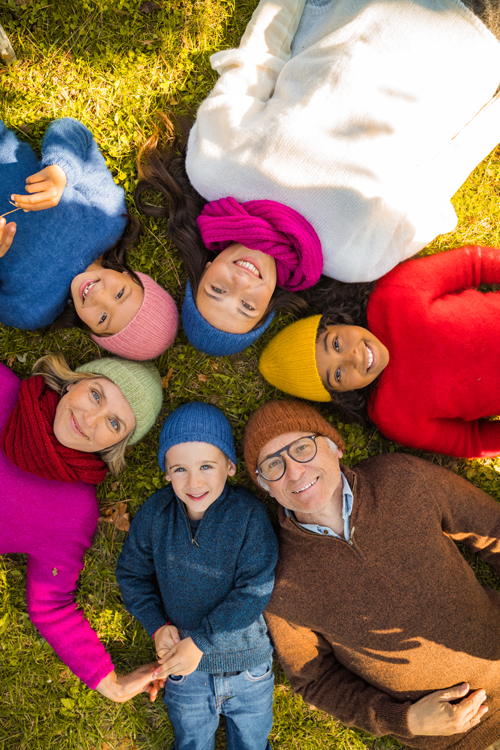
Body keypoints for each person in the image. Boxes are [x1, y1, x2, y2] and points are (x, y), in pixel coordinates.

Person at [137, 0, 500, 351]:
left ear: (206, 268)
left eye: (217, 290)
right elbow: (439, 178)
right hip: (474, 45)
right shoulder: (355, 261)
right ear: (268, 307)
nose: (240, 284)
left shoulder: (211, 170)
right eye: (248, 307)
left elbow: (257, 62)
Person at [243, 398, 500, 750]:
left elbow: (492, 528)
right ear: (265, 486)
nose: (295, 471)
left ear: (334, 446)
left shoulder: (401, 478)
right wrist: (405, 720)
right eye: (273, 465)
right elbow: (314, 680)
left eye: (302, 447)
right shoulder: (277, 574)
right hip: (462, 739)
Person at [0, 352, 165, 701]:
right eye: (95, 395)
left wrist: (112, 684)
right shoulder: (5, 390)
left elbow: (52, 604)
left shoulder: (72, 510)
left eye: (114, 424)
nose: (91, 419)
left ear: (115, 446)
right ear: (74, 382)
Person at [116, 401, 278, 749]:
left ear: (230, 466)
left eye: (207, 466)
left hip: (247, 666)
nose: (194, 481)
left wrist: (202, 641)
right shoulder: (156, 514)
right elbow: (132, 574)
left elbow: (255, 589)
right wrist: (156, 625)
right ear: (165, 472)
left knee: (252, 743)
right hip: (184, 671)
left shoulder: (248, 515)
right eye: (179, 469)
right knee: (191, 742)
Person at [258, 245, 500, 458]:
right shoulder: (394, 417)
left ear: (336, 321)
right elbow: (472, 442)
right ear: (342, 395)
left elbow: (473, 264)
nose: (353, 357)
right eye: (338, 375)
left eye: (335, 344)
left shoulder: (395, 293)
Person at [0, 117, 178, 360]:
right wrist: (60, 171)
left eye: (103, 319)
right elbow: (72, 131)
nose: (99, 297)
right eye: (120, 294)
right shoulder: (107, 217)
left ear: (93, 332)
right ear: (131, 276)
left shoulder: (30, 311)